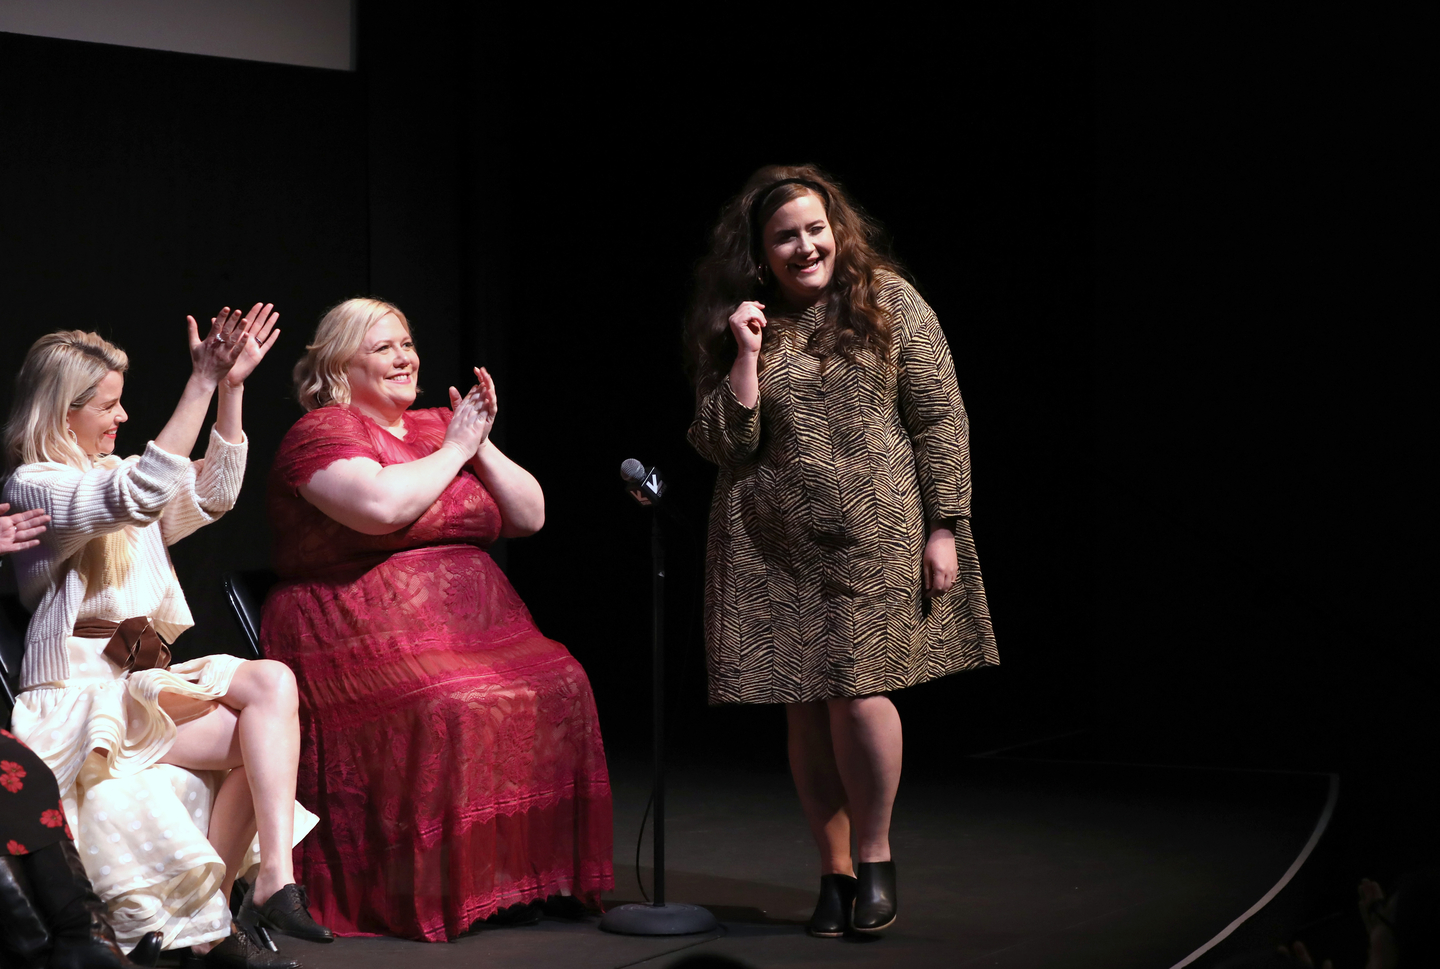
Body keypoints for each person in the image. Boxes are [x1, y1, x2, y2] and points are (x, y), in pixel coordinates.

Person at [684, 165, 999, 938]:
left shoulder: (889, 301)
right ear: (760, 252)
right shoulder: (739, 323)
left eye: (815, 229)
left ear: (838, 230)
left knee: (860, 694)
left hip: (876, 536)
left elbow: (940, 417)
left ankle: (877, 853)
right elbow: (722, 442)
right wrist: (746, 358)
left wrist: (944, 525)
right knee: (803, 707)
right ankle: (833, 871)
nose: (805, 246)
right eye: (785, 236)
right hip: (771, 545)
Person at [260, 298, 612, 941]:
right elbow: (380, 508)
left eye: (408, 343)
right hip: (355, 624)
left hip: (474, 626)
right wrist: (456, 448)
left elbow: (530, 515)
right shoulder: (323, 432)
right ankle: (437, 891)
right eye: (384, 347)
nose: (405, 358)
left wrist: (476, 443)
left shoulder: (438, 425)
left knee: (564, 682)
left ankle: (514, 883)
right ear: (340, 364)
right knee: (447, 703)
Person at [2, 310, 331, 969]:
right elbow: (136, 493)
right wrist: (198, 382)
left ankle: (269, 883)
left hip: (129, 689)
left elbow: (214, 489)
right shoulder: (37, 485)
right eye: (108, 404)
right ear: (61, 411)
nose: (121, 416)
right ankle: (215, 931)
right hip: (72, 697)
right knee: (255, 714)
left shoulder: (115, 475)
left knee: (270, 690)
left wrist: (231, 388)